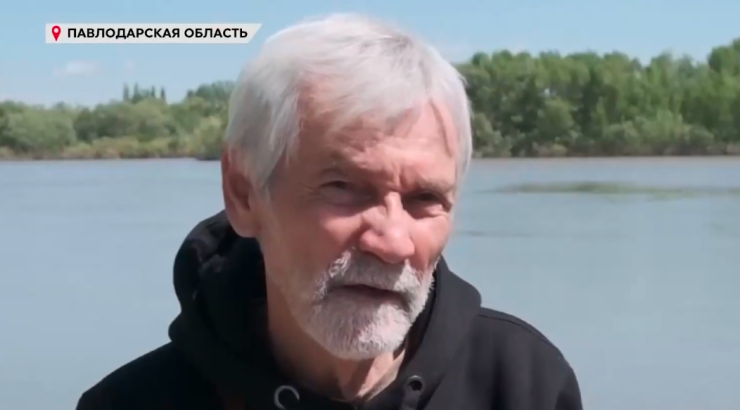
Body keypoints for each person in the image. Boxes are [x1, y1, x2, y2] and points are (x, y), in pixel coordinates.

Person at [76, 13, 583, 410]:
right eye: (344, 187)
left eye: (425, 199)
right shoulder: (132, 404)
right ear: (244, 193)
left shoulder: (524, 386)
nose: (393, 242)